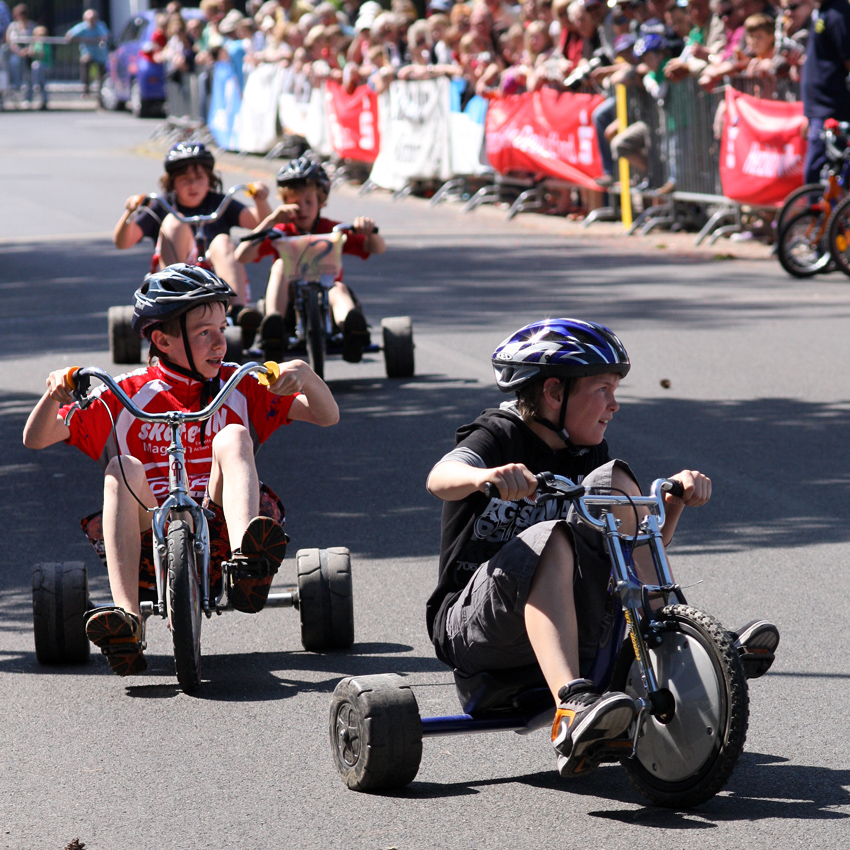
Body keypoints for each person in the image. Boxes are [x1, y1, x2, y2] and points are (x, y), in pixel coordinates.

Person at [425, 319, 779, 777]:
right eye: (603, 389)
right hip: (474, 632)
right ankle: (572, 707)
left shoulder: (587, 451)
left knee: (614, 480)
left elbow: (633, 545)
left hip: (565, 619)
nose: (614, 404)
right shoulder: (498, 435)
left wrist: (671, 506)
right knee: (551, 537)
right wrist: (484, 477)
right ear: (554, 393)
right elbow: (439, 478)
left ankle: (676, 640)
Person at [22, 264, 339, 677]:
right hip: (144, 537)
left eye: (223, 329)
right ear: (163, 340)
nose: (220, 343)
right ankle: (127, 618)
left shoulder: (240, 383)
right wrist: (53, 396)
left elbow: (326, 415)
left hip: (220, 526)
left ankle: (250, 561)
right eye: (205, 332)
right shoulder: (123, 392)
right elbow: (37, 438)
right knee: (121, 467)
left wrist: (306, 375)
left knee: (234, 436)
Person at [113, 140, 271, 343]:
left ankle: (237, 313)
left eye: (199, 178)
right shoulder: (162, 205)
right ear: (172, 182)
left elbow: (262, 224)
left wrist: (260, 200)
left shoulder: (219, 203)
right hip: (173, 282)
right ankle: (174, 305)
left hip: (216, 281)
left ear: (210, 179)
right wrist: (130, 212)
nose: (193, 185)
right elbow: (122, 242)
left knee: (222, 241)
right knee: (175, 224)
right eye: (185, 179)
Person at [234, 157, 385, 364]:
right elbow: (241, 255)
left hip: (328, 293)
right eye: (295, 203)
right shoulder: (281, 231)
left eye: (308, 202)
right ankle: (273, 326)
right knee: (280, 265)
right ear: (285, 204)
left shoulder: (332, 230)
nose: (302, 208)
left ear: (321, 201)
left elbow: (376, 248)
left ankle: (351, 327)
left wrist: (369, 233)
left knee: (338, 289)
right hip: (288, 300)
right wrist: (270, 221)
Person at [800, 0, 850, 184]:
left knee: (816, 172)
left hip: (831, 108)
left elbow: (847, 58)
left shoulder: (838, 13)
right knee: (819, 173)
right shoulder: (822, 10)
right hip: (817, 109)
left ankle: (822, 213)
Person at [65, 9, 110, 102]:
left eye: (94, 18)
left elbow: (105, 36)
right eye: (90, 19)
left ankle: (101, 92)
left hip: (100, 55)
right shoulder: (82, 27)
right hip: (88, 54)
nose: (92, 21)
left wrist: (93, 40)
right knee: (85, 62)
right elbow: (69, 36)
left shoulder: (100, 26)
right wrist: (83, 39)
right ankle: (86, 89)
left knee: (102, 74)